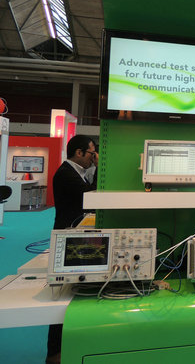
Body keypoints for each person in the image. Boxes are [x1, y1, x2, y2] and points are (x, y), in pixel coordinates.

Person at [47, 135, 97, 364]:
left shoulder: (76, 172)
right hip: (67, 241)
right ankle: (54, 353)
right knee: (61, 297)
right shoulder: (66, 174)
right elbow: (90, 197)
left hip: (73, 238)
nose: (92, 158)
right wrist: (100, 167)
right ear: (79, 152)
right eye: (91, 154)